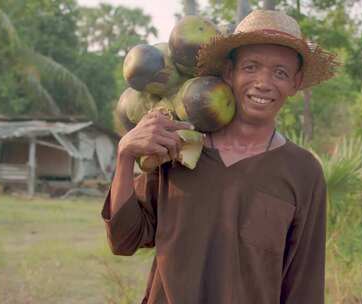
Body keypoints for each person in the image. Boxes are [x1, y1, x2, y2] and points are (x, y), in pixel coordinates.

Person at [102, 10, 337, 304]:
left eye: (280, 72)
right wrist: (125, 156)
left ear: (295, 82)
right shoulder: (180, 147)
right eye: (251, 67)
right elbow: (123, 240)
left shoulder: (303, 172)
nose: (263, 82)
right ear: (229, 72)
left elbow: (304, 286)